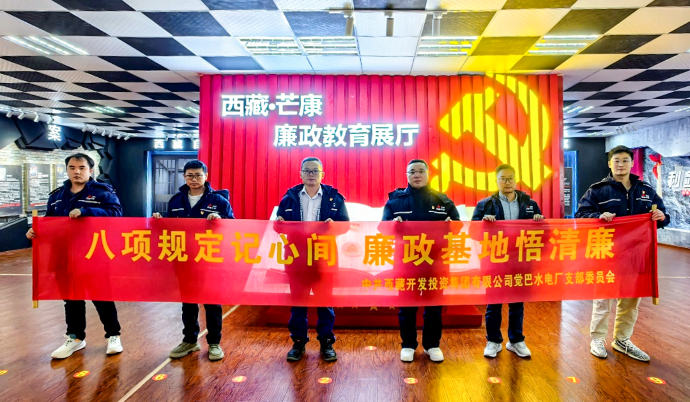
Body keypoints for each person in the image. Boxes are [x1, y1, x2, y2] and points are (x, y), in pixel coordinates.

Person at [576, 145, 669, 362]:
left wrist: (661, 216)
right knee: (603, 299)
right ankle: (597, 339)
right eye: (616, 160)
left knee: (631, 301)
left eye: (625, 160)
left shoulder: (645, 189)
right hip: (607, 253)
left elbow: (664, 215)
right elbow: (580, 215)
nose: (620, 164)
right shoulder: (597, 190)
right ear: (609, 163)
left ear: (631, 163)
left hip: (637, 255)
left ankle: (622, 339)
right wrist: (598, 217)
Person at [26, 153, 123, 359]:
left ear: (90, 170)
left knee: (102, 297)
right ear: (67, 170)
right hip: (63, 255)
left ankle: (113, 336)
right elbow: (50, 222)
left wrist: (87, 211)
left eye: (81, 168)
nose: (76, 172)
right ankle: (75, 337)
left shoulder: (102, 192)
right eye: (72, 167)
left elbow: (116, 214)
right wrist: (36, 231)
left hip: (93, 254)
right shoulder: (57, 196)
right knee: (71, 298)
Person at [152, 160, 234, 362]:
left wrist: (220, 220)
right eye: (190, 175)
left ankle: (214, 343)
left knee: (212, 303)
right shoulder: (176, 200)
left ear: (206, 176)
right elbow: (170, 228)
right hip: (184, 259)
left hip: (209, 259)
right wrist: (159, 221)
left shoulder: (218, 200)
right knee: (188, 302)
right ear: (184, 177)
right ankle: (189, 340)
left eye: (198, 175)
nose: (194, 179)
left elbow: (232, 226)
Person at [382, 159, 459, 363]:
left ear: (428, 174)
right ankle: (408, 344)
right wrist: (392, 224)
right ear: (407, 176)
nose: (417, 175)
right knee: (407, 307)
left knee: (434, 307)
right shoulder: (396, 201)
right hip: (407, 263)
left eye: (420, 171)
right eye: (412, 172)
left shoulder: (442, 200)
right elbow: (382, 228)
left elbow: (458, 226)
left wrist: (451, 225)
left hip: (435, 263)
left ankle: (432, 345)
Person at [276, 157, 349, 362]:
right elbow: (277, 226)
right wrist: (279, 223)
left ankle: (326, 342)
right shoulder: (289, 198)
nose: (311, 174)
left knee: (325, 303)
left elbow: (345, 225)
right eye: (307, 170)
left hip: (323, 257)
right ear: (300, 174)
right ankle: (298, 342)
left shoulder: (334, 198)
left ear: (322, 174)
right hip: (297, 258)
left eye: (315, 171)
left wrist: (333, 225)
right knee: (298, 304)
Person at [471, 164, 544, 359]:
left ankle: (516, 340)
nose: (507, 182)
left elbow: (543, 235)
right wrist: (483, 224)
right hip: (495, 260)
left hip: (520, 260)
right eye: (503, 178)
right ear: (496, 180)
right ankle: (493, 341)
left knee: (517, 303)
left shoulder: (530, 204)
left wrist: (540, 222)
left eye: (510, 178)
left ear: (516, 179)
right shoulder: (485, 204)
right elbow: (473, 232)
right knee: (494, 303)